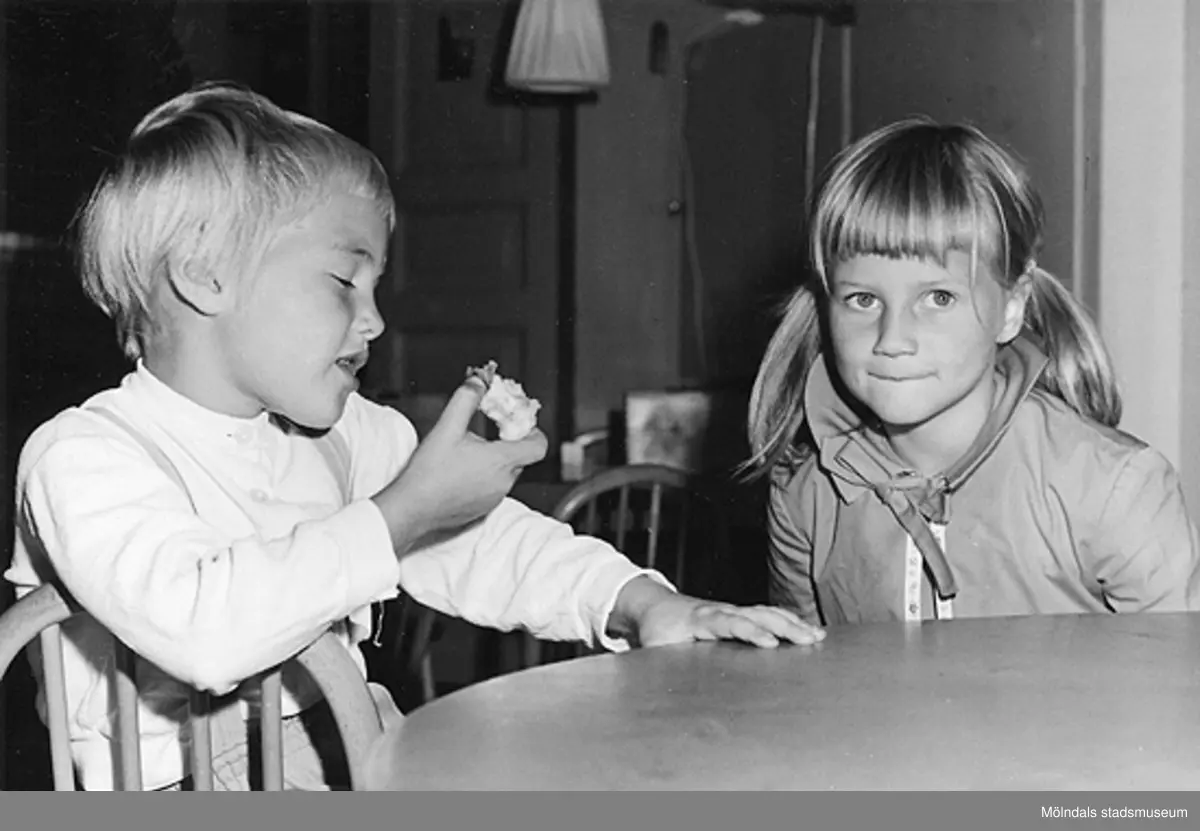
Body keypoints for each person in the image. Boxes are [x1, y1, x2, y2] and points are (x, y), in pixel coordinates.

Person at [4, 82, 824, 792]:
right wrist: (401, 514)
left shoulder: (340, 434)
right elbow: (204, 632)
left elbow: (485, 544)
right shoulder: (85, 457)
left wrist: (643, 602)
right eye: (344, 279)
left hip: (345, 747)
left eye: (377, 285)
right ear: (205, 273)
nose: (375, 320)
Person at [743, 117, 1200, 627]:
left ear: (1012, 307)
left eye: (938, 298)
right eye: (863, 299)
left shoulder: (1116, 489)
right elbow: (805, 669)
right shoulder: (803, 492)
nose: (893, 339)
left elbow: (1177, 673)